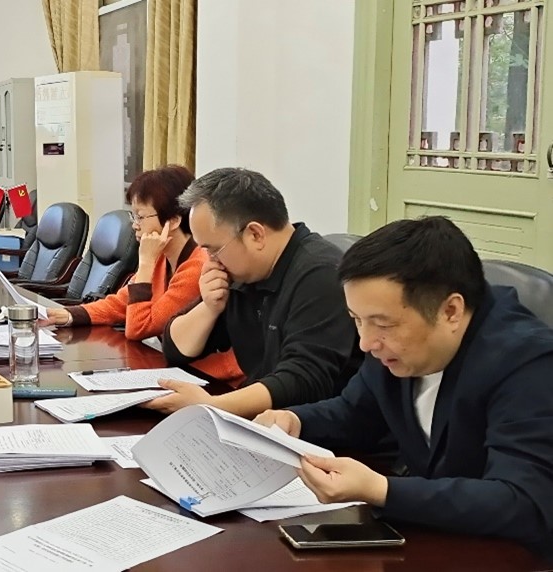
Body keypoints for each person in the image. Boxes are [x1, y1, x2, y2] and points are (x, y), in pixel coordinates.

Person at [254, 217, 553, 562]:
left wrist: (381, 490)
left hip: (511, 556)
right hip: (438, 538)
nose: (366, 343)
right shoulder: (396, 348)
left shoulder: (528, 362)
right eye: (356, 320)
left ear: (451, 311)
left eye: (382, 324)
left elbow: (522, 502)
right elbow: (355, 413)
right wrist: (295, 421)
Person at [144, 168, 363, 417]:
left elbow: (303, 380)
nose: (210, 260)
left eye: (213, 249)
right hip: (263, 420)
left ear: (255, 234)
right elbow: (176, 349)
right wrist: (209, 308)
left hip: (317, 428)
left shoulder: (321, 274)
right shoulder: (243, 272)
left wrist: (212, 407)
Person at [42, 165, 242, 385]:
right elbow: (122, 302)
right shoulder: (162, 256)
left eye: (141, 216)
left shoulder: (197, 266)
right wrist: (70, 315)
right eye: (133, 216)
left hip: (213, 380)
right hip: (180, 370)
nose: (134, 226)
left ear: (173, 221)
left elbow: (139, 327)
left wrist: (145, 262)